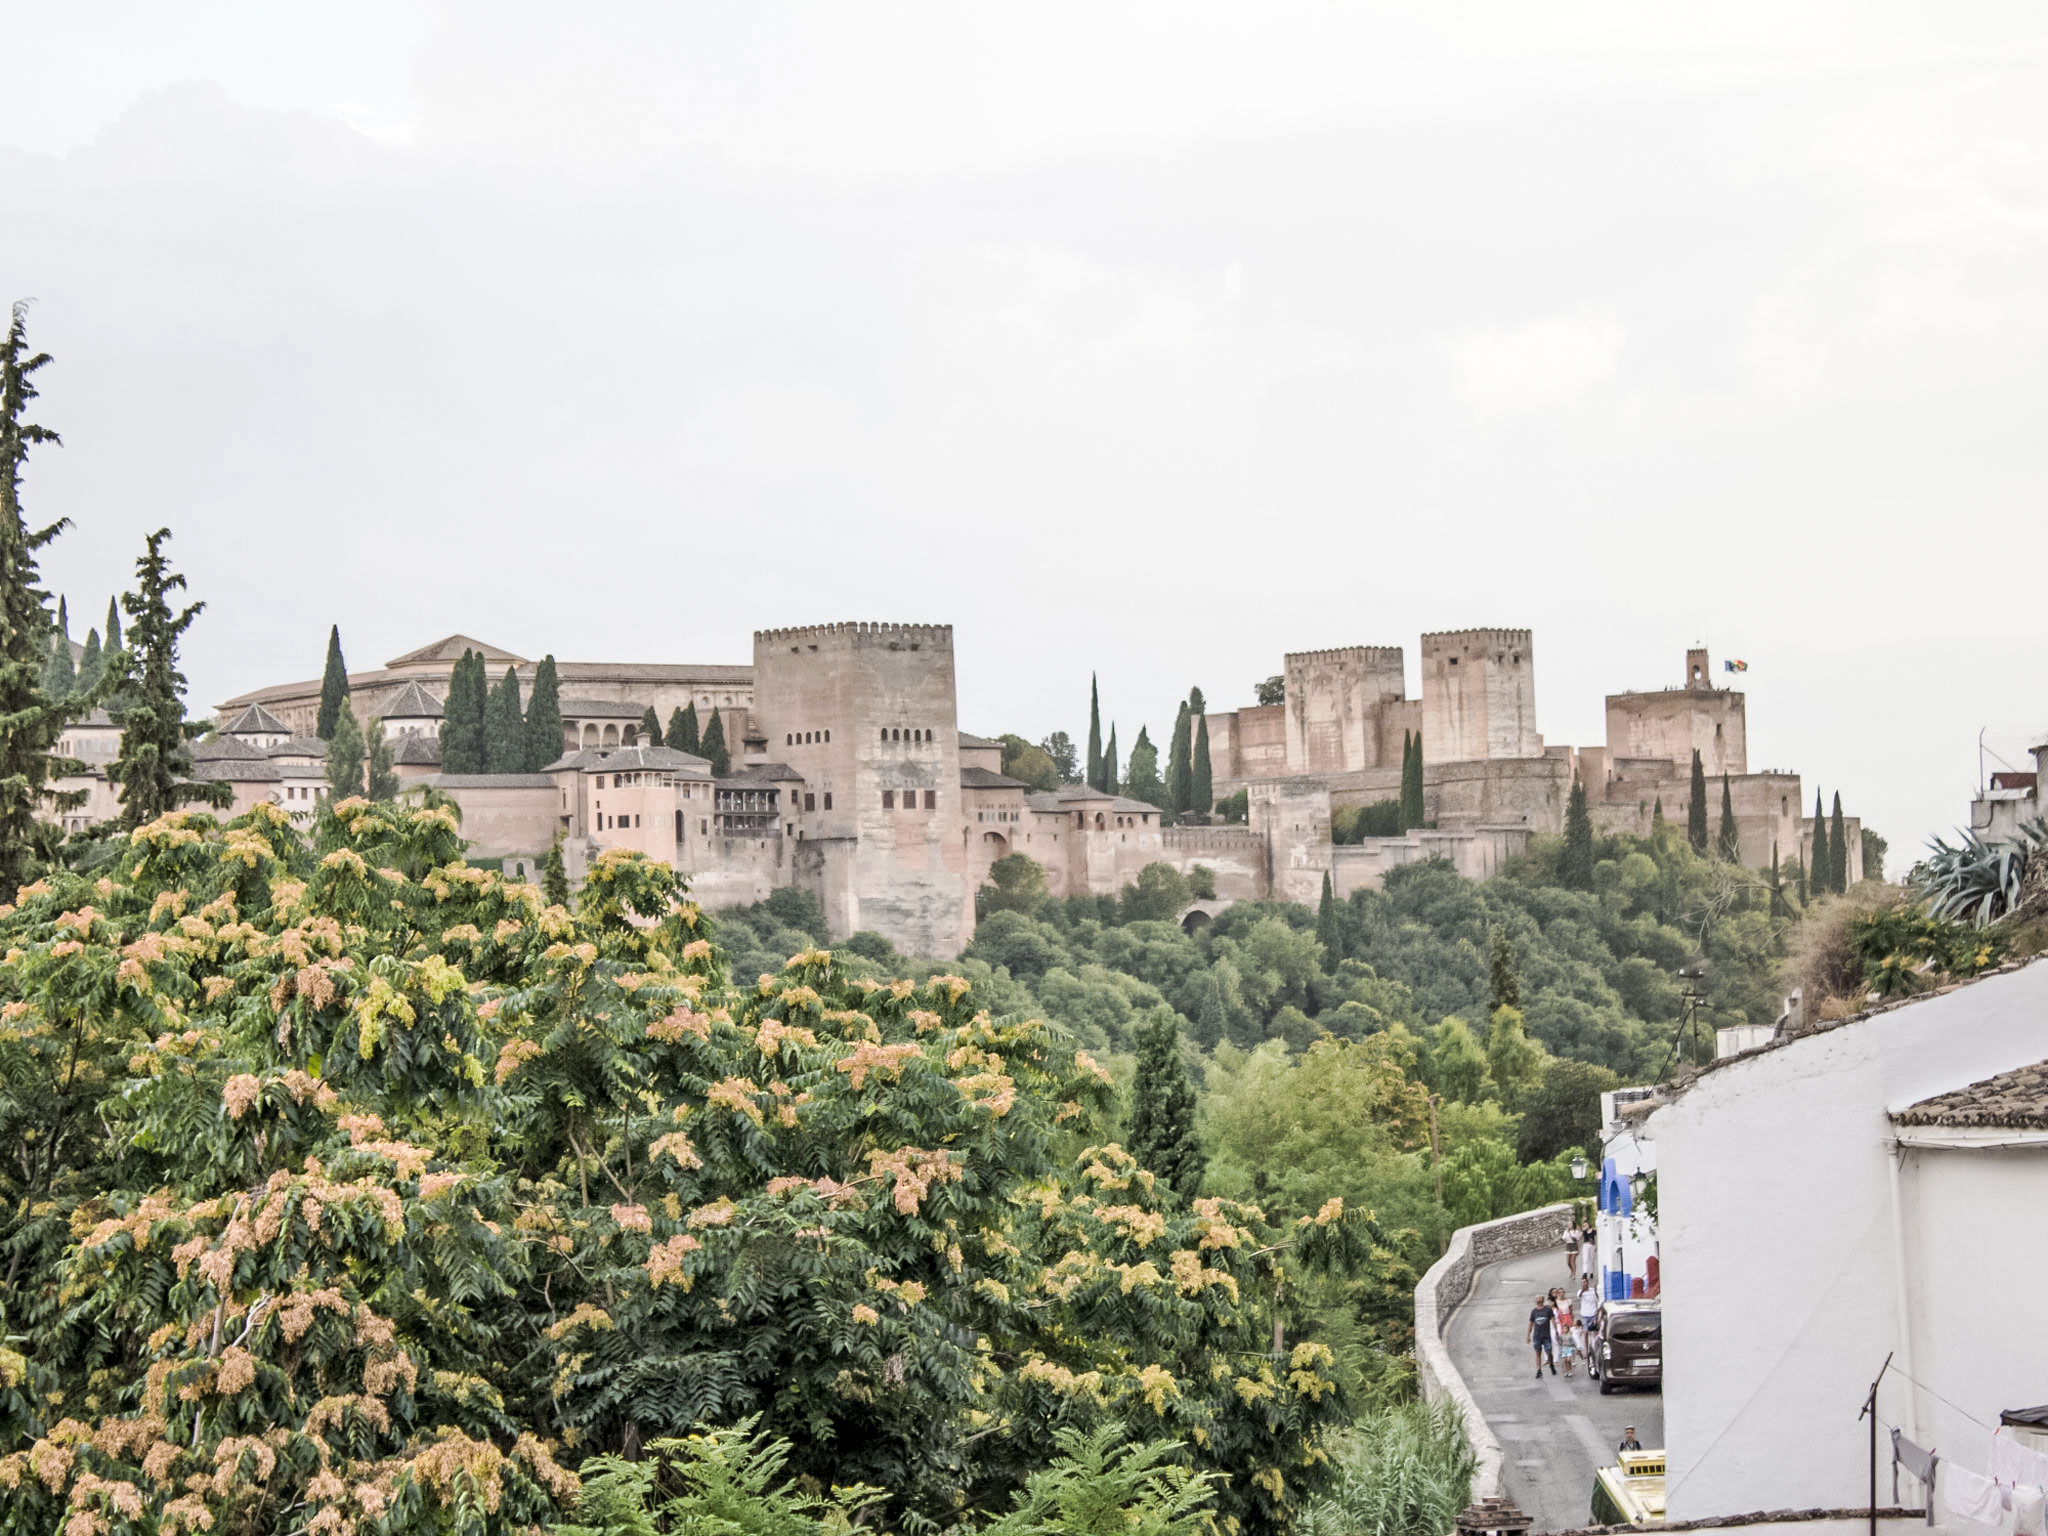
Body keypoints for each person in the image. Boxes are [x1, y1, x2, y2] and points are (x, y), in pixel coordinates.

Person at [1527, 1293, 1556, 1379]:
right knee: (1538, 1352)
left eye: (1540, 1299)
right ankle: (1539, 1370)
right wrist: (1528, 1335)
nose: (1539, 1301)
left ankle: (1551, 1364)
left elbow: (1553, 1319)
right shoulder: (1534, 1312)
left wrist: (1556, 1330)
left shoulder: (1548, 1309)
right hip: (1537, 1336)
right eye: (1537, 1299)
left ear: (1543, 1300)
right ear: (1535, 1301)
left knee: (1549, 1351)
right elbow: (1531, 1324)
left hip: (1546, 1335)